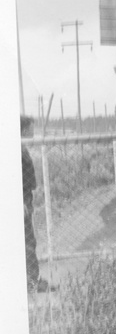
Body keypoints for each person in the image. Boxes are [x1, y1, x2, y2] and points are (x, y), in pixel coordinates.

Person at [21, 115, 50, 292]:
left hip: (25, 201)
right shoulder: (14, 149)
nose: (33, 131)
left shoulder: (20, 147)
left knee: (28, 241)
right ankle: (32, 282)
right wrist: (22, 202)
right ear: (23, 130)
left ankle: (31, 280)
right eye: (31, 128)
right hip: (22, 203)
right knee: (28, 242)